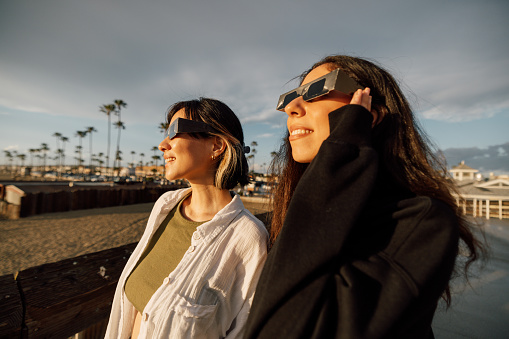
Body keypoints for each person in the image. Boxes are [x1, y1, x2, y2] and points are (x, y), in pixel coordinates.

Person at [244, 55, 484, 338]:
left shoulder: (422, 222)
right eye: (290, 98)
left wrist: (343, 147)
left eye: (316, 90)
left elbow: (280, 328)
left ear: (367, 115)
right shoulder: (277, 220)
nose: (292, 108)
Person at [105, 98, 268, 339]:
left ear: (216, 145)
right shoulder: (166, 206)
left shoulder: (248, 237)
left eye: (174, 132)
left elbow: (243, 330)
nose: (163, 145)